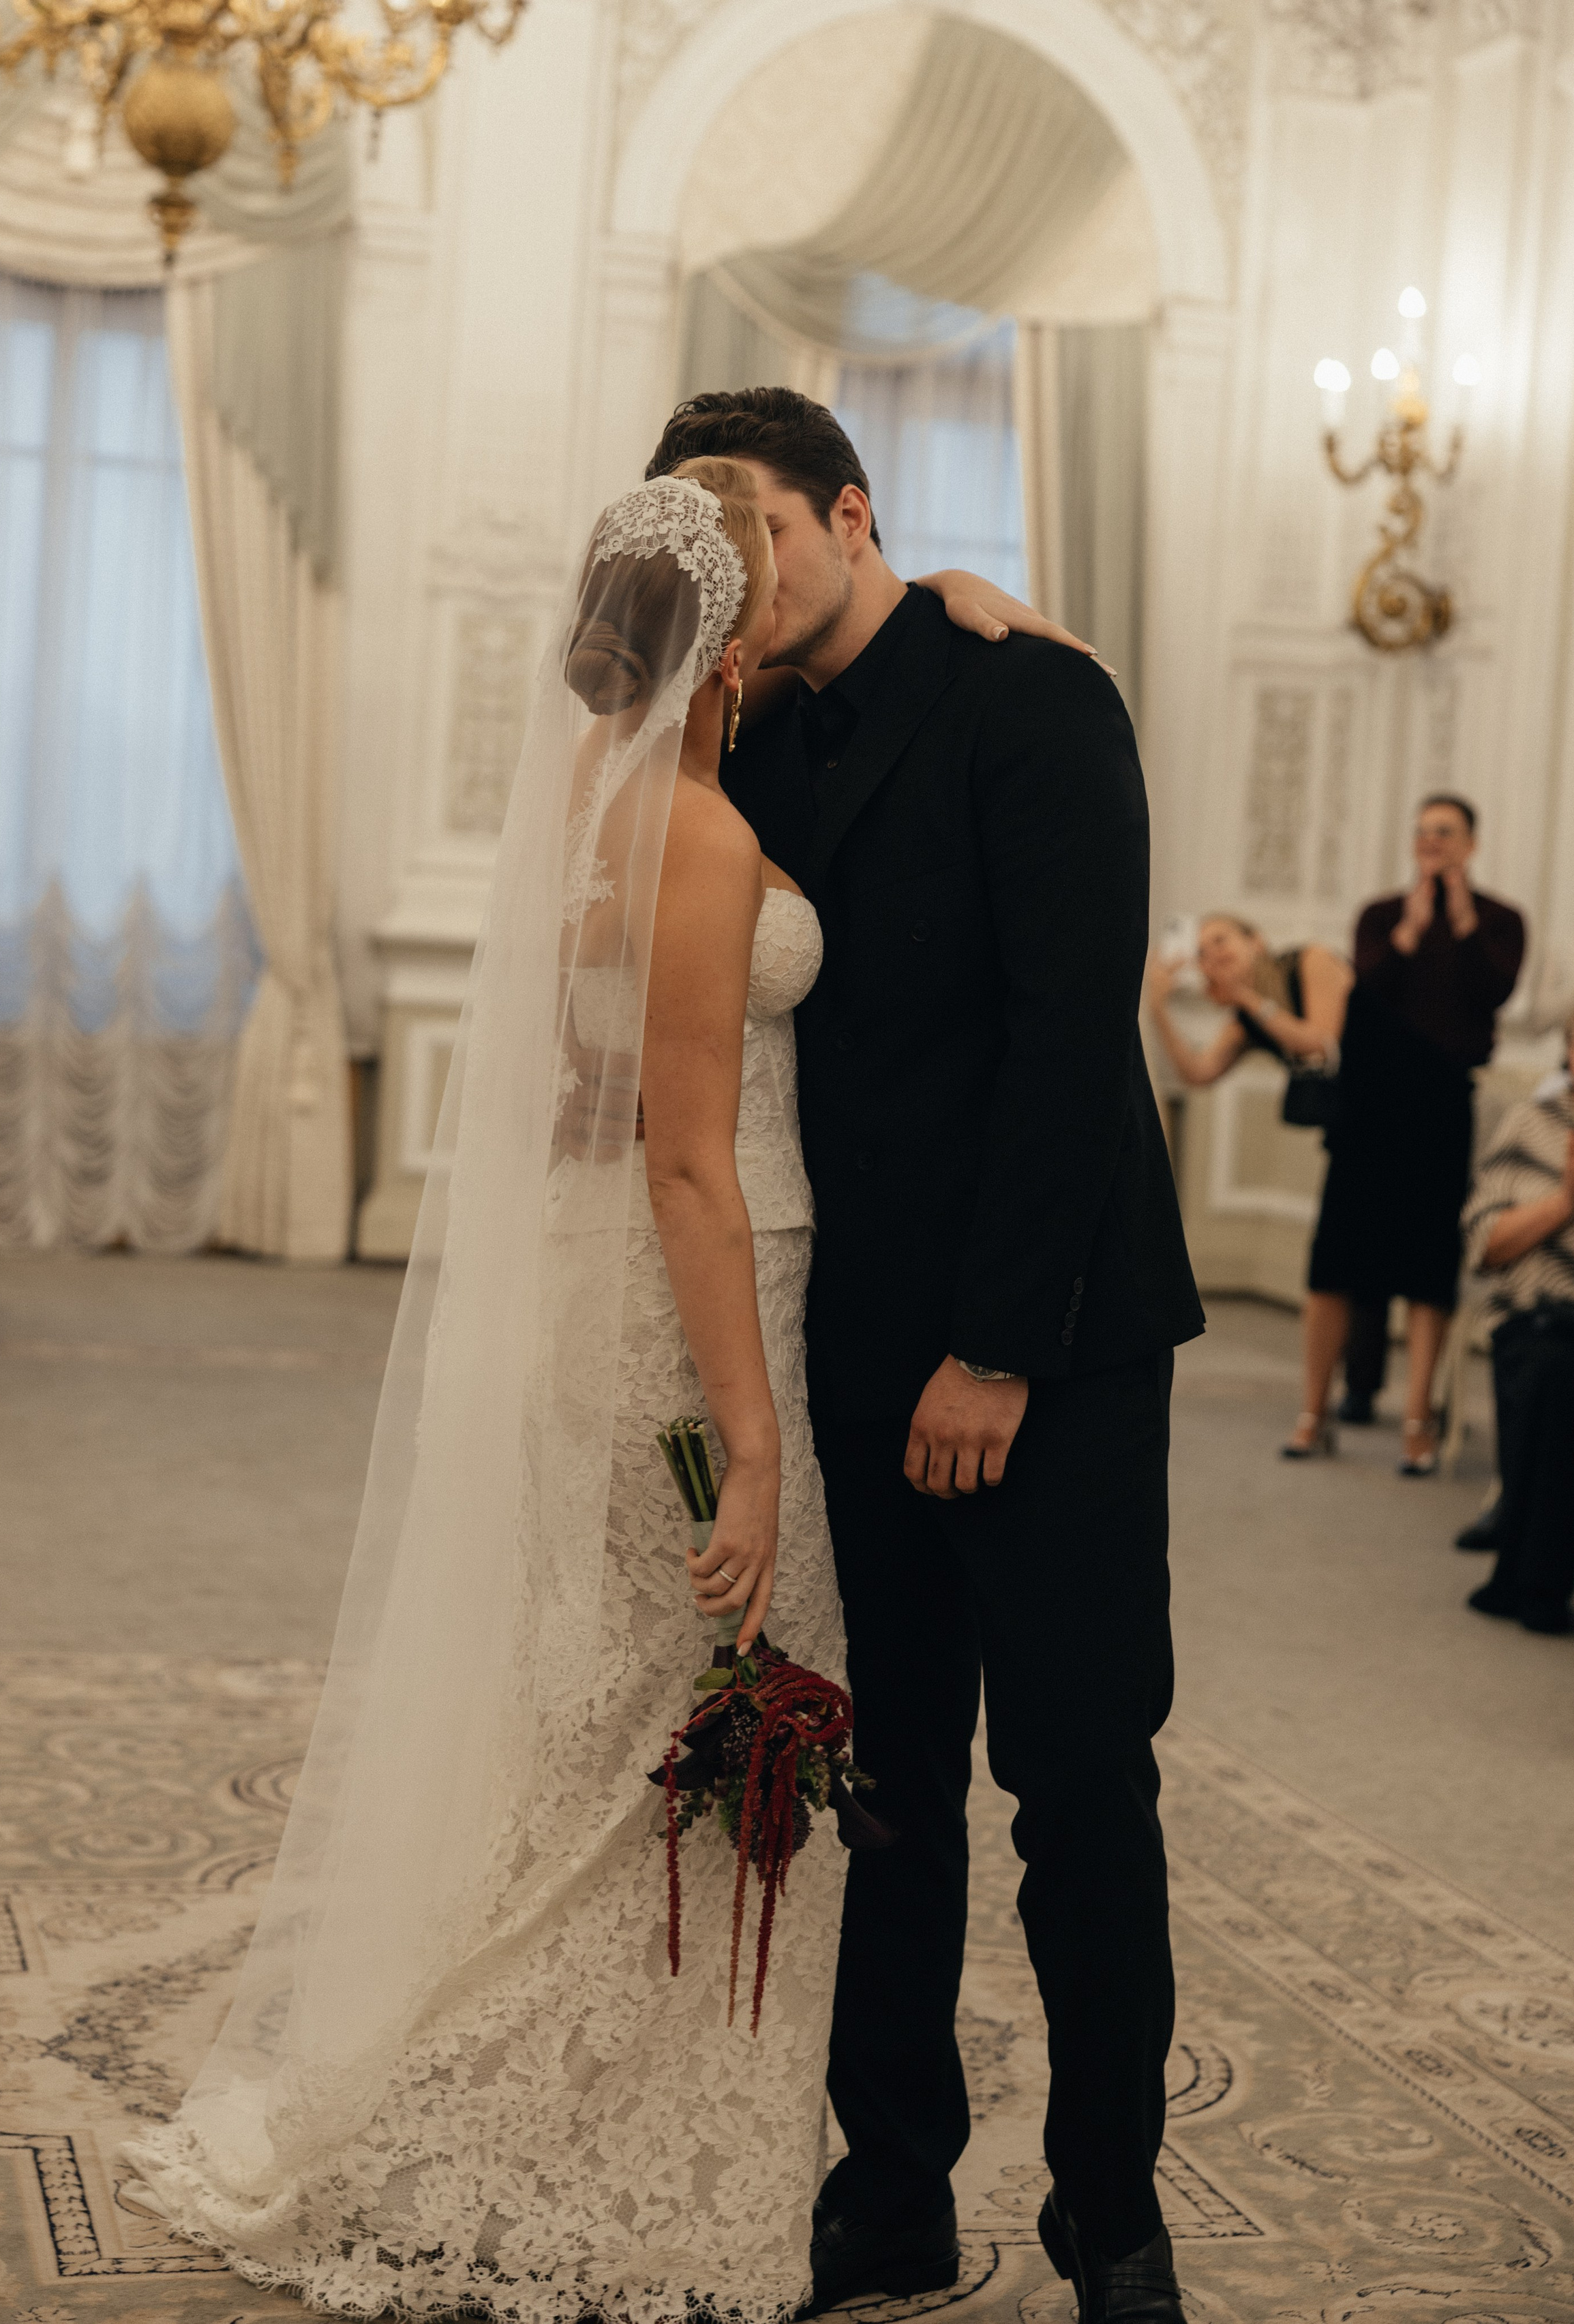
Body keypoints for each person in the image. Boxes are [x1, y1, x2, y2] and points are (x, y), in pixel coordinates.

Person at [121, 470, 1070, 2319]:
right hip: (707, 1302)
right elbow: (690, 1167)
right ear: (726, 637)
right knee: (682, 1708)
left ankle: (569, 2083)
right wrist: (759, 1445)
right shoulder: (706, 837)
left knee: (596, 1706)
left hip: (588, 1300)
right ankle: (606, 2134)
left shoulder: (582, 795)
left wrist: (966, 592)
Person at [647, 387, 1205, 2324]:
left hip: (1046, 1349)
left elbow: (1070, 1047)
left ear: (853, 516)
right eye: (714, 549)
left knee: (1079, 1785)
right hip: (853, 1343)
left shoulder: (1039, 702)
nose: (744, 575)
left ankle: (1110, 2214)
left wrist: (994, 1353)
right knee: (887, 1789)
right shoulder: (757, 739)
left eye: (769, 537)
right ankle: (891, 2193)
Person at [1287, 795, 1525, 1471]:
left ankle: (1418, 1422)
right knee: (1336, 1258)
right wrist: (1408, 933)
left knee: (1425, 1263)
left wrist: (1459, 920)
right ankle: (1315, 1412)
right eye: (1422, 833)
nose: (1431, 843)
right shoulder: (1380, 915)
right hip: (1370, 1107)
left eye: (1444, 833)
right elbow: (1363, 992)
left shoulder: (1501, 921)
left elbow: (1493, 994)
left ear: (1470, 844)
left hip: (1442, 1106)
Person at [1460, 1011, 1574, 1634]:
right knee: (1554, 1373)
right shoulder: (1531, 1123)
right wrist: (1564, 1202)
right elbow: (1486, 1244)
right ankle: (1535, 1583)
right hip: (1540, 1321)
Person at [1145, 913, 1350, 1089]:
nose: (1213, 955)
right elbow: (1198, 1074)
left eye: (1220, 940)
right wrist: (1158, 1008)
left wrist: (1243, 997)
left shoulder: (1312, 960)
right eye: (1202, 953)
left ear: (1256, 942)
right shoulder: (1248, 1015)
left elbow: (1322, 1046)